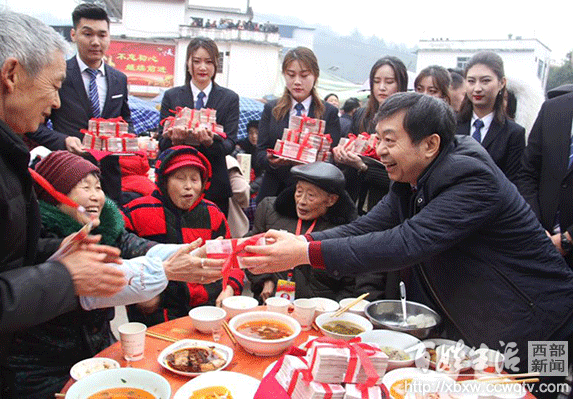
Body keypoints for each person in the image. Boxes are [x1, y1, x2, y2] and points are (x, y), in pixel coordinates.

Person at [243, 92, 573, 382]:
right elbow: (367, 226)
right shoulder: (412, 176)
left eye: (389, 140)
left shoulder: (472, 179)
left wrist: (305, 255)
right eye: (378, 139)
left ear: (430, 144)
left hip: (540, 323)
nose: (379, 151)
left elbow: (405, 242)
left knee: (533, 390)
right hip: (490, 322)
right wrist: (302, 243)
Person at [0, 12, 129, 399]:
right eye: (54, 86)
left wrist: (58, 251)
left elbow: (1, 254)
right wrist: (65, 276)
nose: (57, 102)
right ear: (11, 74)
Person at [7, 151, 223, 398]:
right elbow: (101, 283)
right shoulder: (42, 240)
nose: (95, 196)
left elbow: (138, 247)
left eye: (97, 187)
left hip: (97, 354)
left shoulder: (105, 229)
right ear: (53, 196)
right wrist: (167, 271)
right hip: (43, 370)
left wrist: (190, 250)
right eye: (83, 187)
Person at [122, 146, 244, 324]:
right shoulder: (137, 211)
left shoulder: (212, 213)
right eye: (180, 178)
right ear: (164, 181)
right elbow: (118, 258)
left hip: (207, 309)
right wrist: (138, 290)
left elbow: (233, 258)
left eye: (194, 179)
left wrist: (230, 288)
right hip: (156, 312)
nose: (188, 186)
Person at [246, 162, 388, 303]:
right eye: (299, 191)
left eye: (311, 196)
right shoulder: (270, 210)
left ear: (331, 200)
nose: (301, 201)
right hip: (272, 305)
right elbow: (248, 249)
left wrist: (331, 310)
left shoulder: (349, 230)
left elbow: (358, 283)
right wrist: (265, 279)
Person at [27, 4, 132, 154]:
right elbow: (33, 126)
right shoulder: (57, 75)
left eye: (102, 35)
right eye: (88, 34)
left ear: (109, 37)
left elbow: (126, 121)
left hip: (110, 170)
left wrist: (132, 139)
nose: (95, 42)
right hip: (71, 167)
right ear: (73, 35)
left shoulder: (119, 79)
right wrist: (63, 140)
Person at [159, 37, 239, 216]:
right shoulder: (172, 96)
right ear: (188, 63)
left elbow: (230, 144)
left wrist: (210, 143)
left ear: (216, 65)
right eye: (196, 61)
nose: (203, 67)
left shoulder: (229, 98)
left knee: (213, 239)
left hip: (214, 185)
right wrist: (174, 140)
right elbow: (161, 143)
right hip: (176, 182)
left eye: (209, 62)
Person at [255, 47, 341, 203]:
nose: (297, 82)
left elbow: (332, 159)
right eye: (291, 75)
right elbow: (260, 152)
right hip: (274, 189)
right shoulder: (272, 109)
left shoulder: (329, 113)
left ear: (315, 75)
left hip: (311, 195)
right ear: (284, 75)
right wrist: (271, 161)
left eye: (304, 75)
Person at [333, 56, 408, 214]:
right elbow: (348, 150)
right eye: (376, 81)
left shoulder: (407, 121)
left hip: (387, 203)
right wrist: (341, 156)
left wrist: (363, 167)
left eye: (389, 82)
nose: (382, 87)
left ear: (401, 84)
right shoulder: (362, 115)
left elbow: (403, 175)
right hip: (354, 198)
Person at [519, 91, 573, 268]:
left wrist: (568, 239)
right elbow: (528, 172)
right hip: (541, 247)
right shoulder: (553, 108)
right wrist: (536, 226)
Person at [456, 51, 525, 185]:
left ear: (502, 83)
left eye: (485, 81)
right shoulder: (450, 124)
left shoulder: (514, 134)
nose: (477, 88)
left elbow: (512, 183)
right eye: (471, 81)